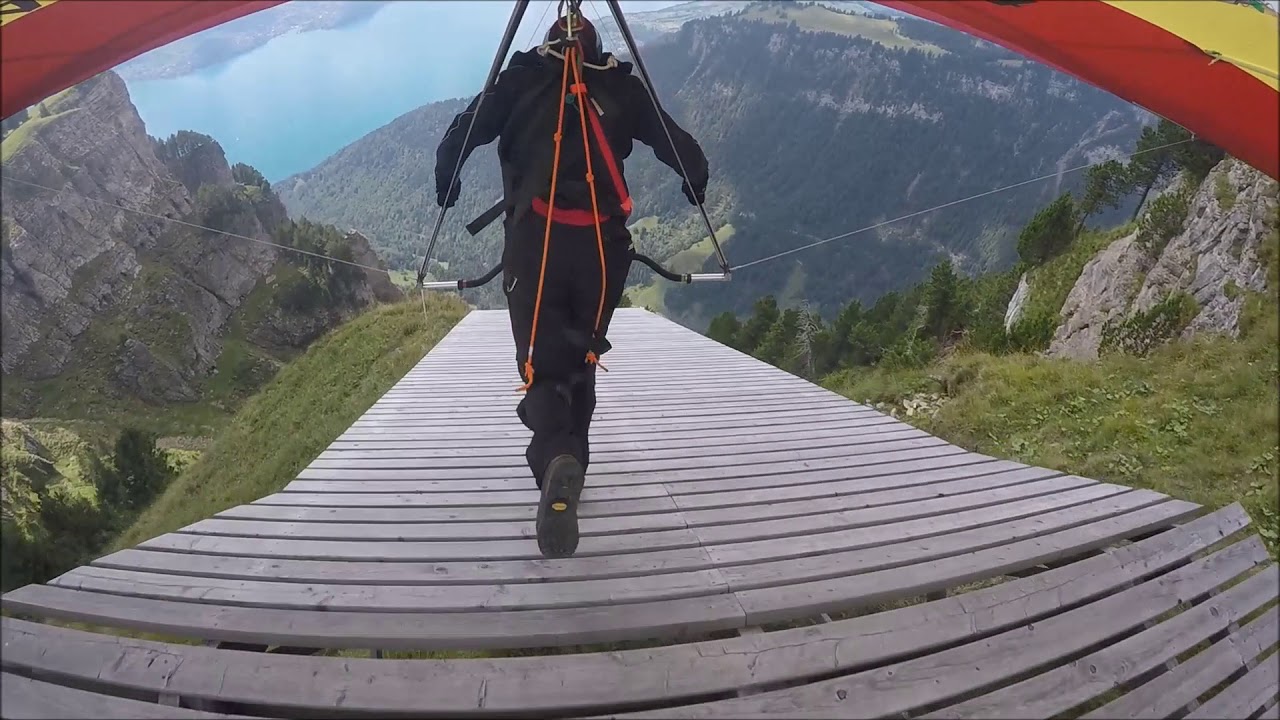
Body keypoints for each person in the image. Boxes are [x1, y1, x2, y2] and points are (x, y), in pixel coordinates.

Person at [434, 9, 709, 558]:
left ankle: (557, 457)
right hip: (603, 252)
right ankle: (570, 465)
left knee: (540, 364)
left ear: (550, 49)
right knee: (582, 354)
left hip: (537, 246)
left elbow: (462, 134)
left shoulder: (521, 80)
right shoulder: (619, 86)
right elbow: (680, 145)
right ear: (594, 50)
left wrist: (448, 180)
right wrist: (694, 182)